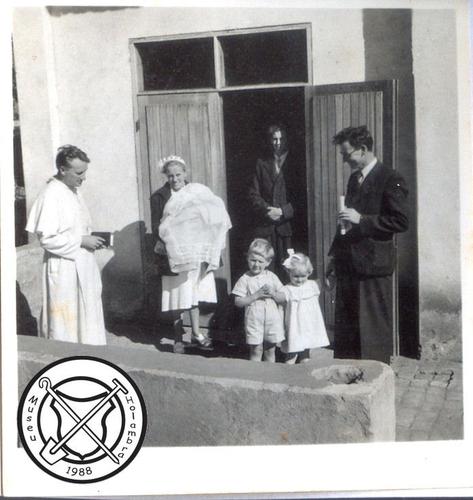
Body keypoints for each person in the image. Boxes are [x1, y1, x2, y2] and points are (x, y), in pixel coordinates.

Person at [327, 126, 408, 364]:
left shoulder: (391, 178)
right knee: (349, 333)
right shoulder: (355, 179)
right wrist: (334, 257)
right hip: (349, 264)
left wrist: (361, 220)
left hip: (373, 267)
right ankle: (351, 377)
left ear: (362, 149)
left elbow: (400, 221)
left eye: (347, 154)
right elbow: (346, 222)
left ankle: (374, 377)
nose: (344, 160)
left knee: (372, 332)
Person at [25, 145, 107, 345]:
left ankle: (88, 353)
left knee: (86, 318)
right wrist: (81, 241)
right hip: (64, 268)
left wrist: (91, 238)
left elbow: (74, 227)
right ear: (63, 169)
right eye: (79, 173)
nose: (84, 177)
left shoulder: (73, 191)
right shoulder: (51, 194)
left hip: (82, 263)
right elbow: (47, 238)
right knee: (66, 323)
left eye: (85, 172)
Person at [150, 155, 231, 354]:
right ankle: (178, 338)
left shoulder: (197, 192)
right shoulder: (159, 196)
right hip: (175, 252)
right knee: (178, 293)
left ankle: (196, 333)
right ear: (165, 176)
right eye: (170, 176)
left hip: (196, 251)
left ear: (185, 173)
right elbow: (157, 226)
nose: (175, 179)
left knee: (193, 292)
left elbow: (210, 216)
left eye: (178, 175)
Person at [248, 124, 294, 279]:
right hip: (265, 227)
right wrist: (268, 210)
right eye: (274, 139)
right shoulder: (261, 163)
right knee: (266, 270)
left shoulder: (295, 162)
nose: (278, 143)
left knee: (287, 269)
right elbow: (253, 194)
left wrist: (283, 211)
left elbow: (301, 197)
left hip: (286, 227)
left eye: (281, 139)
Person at [232, 238, 285, 362]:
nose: (256, 264)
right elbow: (238, 301)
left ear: (268, 262)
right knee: (256, 349)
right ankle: (256, 372)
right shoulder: (245, 278)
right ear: (247, 259)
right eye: (253, 260)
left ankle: (269, 373)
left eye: (260, 261)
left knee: (270, 349)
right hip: (254, 319)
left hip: (272, 319)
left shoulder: (272, 277)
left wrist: (273, 293)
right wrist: (255, 296)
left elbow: (283, 296)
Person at [276, 251, 329, 364]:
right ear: (289, 272)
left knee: (306, 352)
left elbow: (327, 285)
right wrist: (271, 293)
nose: (299, 280)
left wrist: (331, 275)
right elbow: (278, 298)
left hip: (308, 326)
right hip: (295, 327)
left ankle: (304, 369)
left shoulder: (313, 285)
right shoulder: (288, 289)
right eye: (295, 276)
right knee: (292, 353)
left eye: (303, 276)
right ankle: (288, 371)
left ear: (309, 273)